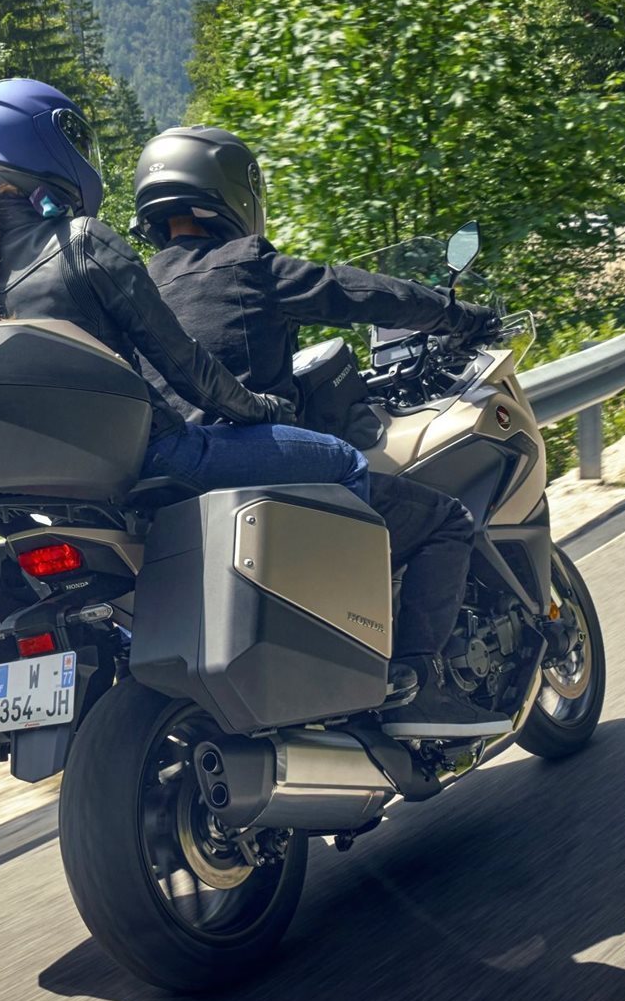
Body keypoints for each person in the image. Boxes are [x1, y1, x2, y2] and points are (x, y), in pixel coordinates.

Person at [132, 125, 505, 723]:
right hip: (252, 465)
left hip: (161, 482)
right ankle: (419, 680)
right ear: (234, 191)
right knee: (444, 522)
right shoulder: (248, 265)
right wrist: (456, 316)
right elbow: (357, 292)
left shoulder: (136, 288)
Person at [0, 79, 369, 503]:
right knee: (346, 462)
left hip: (61, 485)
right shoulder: (83, 241)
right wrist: (264, 408)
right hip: (154, 455)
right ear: (40, 143)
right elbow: (183, 364)